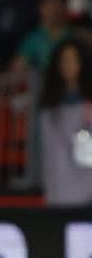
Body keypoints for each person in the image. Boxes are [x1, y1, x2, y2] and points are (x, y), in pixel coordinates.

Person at [36, 39, 92, 206]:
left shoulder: (88, 105)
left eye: (73, 60)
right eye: (64, 60)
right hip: (57, 187)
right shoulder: (48, 108)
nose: (68, 66)